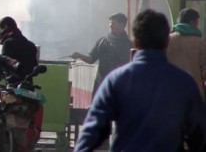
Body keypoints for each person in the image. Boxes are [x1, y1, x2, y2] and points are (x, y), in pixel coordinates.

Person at [74, 9, 206, 152]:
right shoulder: (184, 83)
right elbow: (198, 135)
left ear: (135, 42)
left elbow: (91, 134)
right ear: (166, 42)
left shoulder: (115, 81)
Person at [71, 12, 133, 96]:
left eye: (113, 23)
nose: (110, 25)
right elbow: (91, 59)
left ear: (122, 25)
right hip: (101, 84)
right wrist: (79, 55)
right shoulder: (102, 42)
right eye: (110, 23)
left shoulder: (130, 46)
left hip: (121, 86)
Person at [167, 8, 206, 101]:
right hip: (193, 94)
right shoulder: (200, 42)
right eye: (197, 22)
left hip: (171, 93)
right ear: (192, 22)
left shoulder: (167, 40)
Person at [0, 16, 38, 87]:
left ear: (5, 26)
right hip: (28, 86)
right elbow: (34, 65)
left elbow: (3, 63)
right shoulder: (31, 45)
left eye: (0, 29)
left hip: (14, 88)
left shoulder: (8, 43)